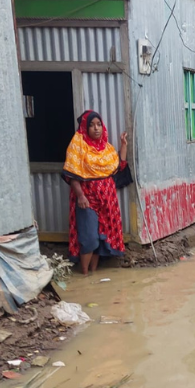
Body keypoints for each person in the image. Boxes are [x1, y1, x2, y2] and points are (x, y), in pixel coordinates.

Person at [62, 111, 128, 276]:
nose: (96, 128)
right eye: (91, 125)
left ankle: (93, 274)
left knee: (100, 237)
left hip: (107, 200)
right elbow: (72, 175)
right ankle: (84, 274)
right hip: (88, 199)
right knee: (89, 238)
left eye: (98, 124)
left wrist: (124, 144)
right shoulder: (78, 146)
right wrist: (81, 196)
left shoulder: (106, 147)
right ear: (85, 127)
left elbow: (119, 166)